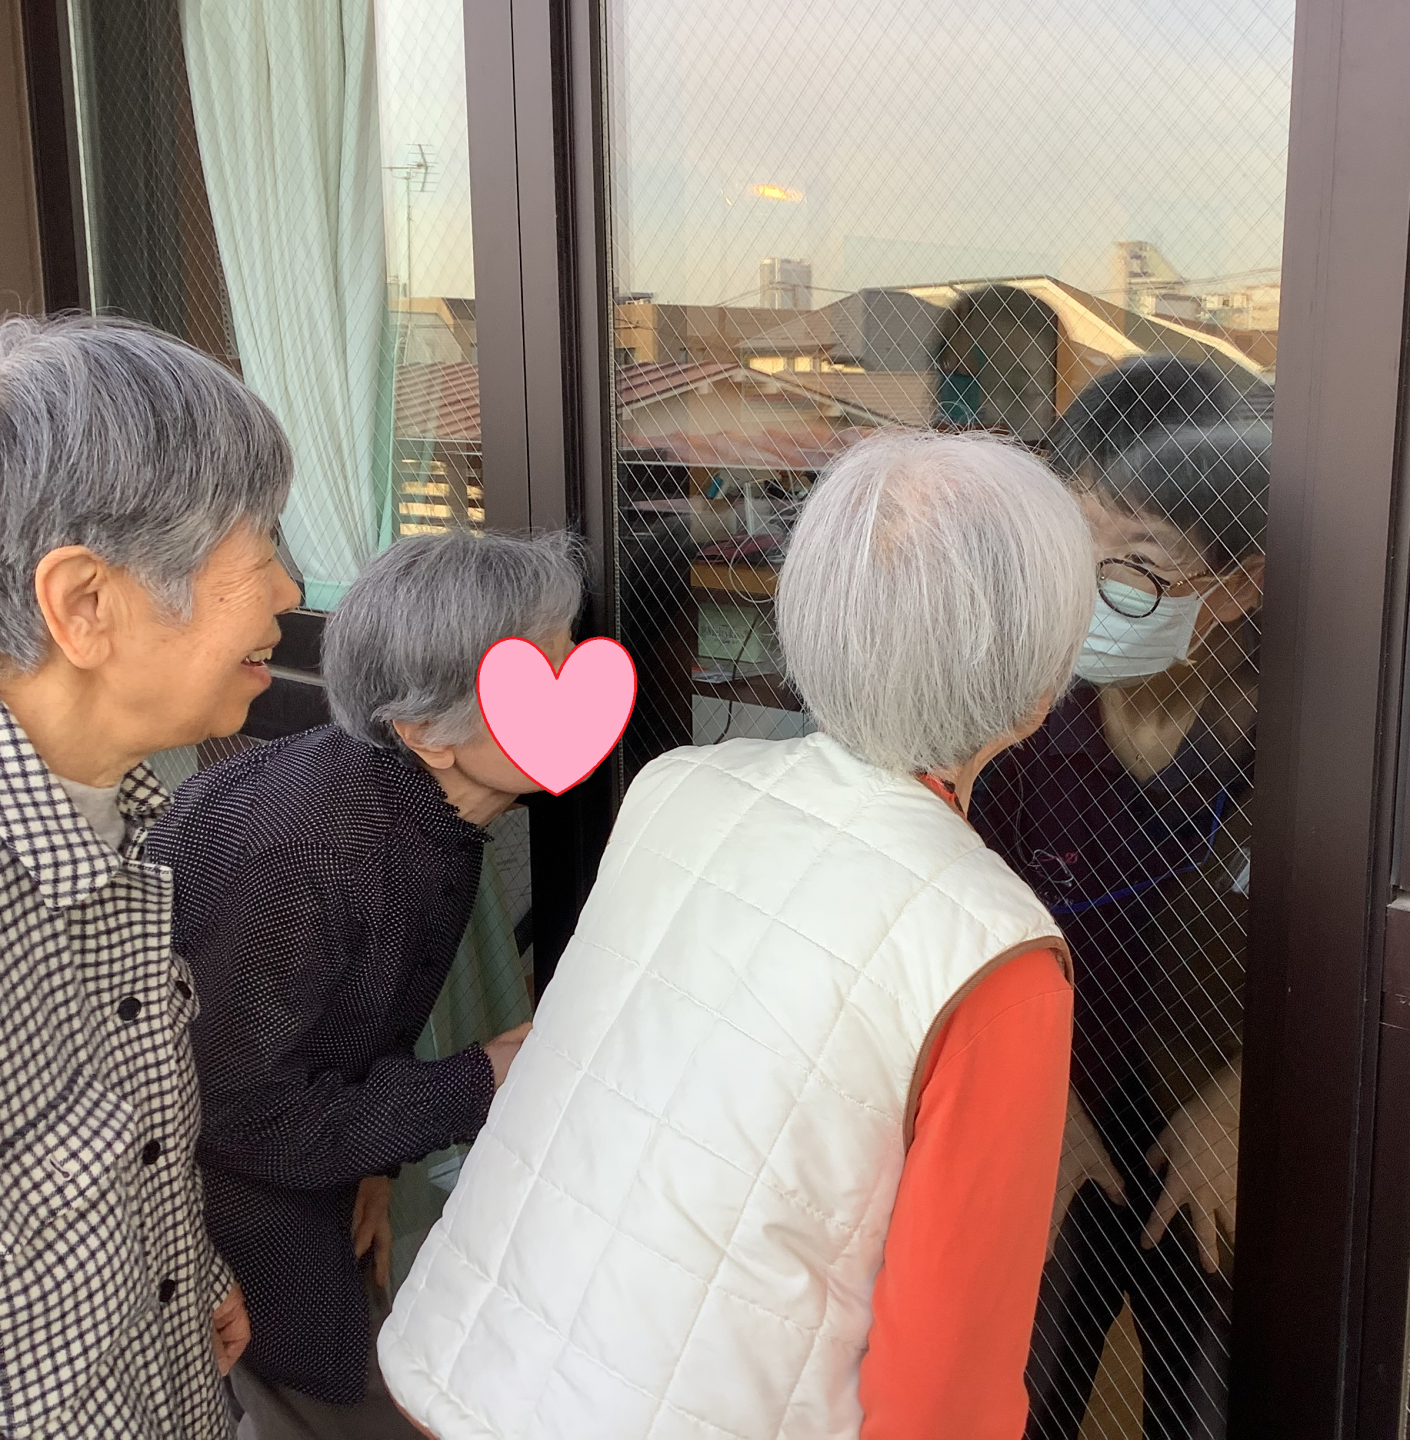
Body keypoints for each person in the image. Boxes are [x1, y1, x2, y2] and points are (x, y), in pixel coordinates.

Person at [378, 429, 1096, 1439]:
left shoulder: (678, 789)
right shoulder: (994, 955)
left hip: (462, 1364)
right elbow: (945, 1392)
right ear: (1037, 691)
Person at [0, 314, 299, 1436]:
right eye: (258, 544)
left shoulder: (106, 799)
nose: (288, 588)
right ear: (85, 604)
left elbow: (114, 1142)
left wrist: (184, 1275)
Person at [143, 528, 581, 1439]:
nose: (573, 690)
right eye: (537, 674)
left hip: (304, 1205)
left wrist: (371, 1169)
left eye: (570, 654)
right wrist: (483, 1078)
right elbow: (235, 1116)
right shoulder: (312, 855)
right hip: (223, 1245)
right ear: (423, 730)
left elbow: (348, 1026)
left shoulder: (416, 810)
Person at [972, 357, 1269, 1440]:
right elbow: (963, 918)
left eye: (1137, 560)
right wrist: (1044, 1111)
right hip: (1063, 1107)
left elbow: (1372, 965)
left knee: (1205, 1401)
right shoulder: (1021, 718)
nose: (1087, 590)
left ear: (1238, 584)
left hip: (1225, 1128)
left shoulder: (1311, 735)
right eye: (1071, 540)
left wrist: (1240, 1109)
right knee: (1025, 1392)